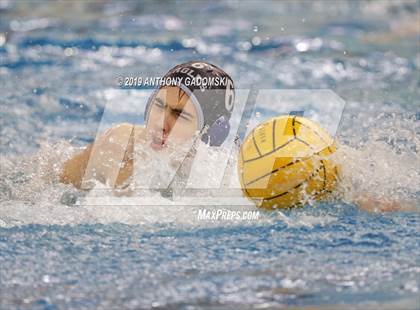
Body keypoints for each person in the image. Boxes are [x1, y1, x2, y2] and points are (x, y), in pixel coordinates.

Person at [59, 61, 235, 191]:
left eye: (179, 114)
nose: (160, 124)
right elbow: (48, 188)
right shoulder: (117, 150)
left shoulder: (221, 175)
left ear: (211, 133)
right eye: (159, 105)